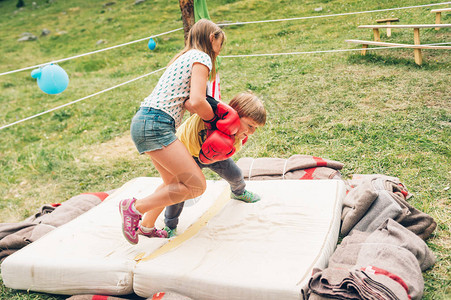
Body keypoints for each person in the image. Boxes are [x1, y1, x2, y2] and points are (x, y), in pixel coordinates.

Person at [119, 19, 226, 244]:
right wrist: (216, 120)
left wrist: (203, 110)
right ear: (211, 38)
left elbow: (188, 103)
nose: (220, 50)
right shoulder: (201, 57)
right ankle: (134, 208)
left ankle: (146, 225)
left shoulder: (183, 58)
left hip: (146, 121)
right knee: (196, 185)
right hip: (156, 124)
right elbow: (197, 101)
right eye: (220, 43)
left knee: (173, 182)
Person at [138, 91, 267, 238]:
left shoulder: (237, 139)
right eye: (250, 125)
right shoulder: (212, 114)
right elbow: (195, 101)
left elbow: (227, 153)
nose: (251, 132)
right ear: (235, 114)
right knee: (179, 192)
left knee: (235, 174)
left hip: (214, 157)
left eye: (255, 128)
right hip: (186, 157)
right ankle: (170, 225)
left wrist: (218, 151)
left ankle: (239, 192)